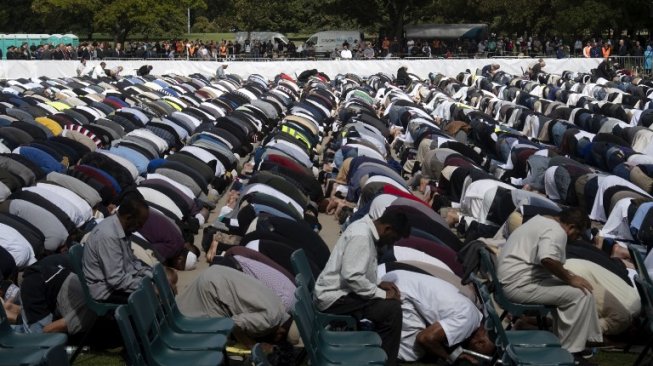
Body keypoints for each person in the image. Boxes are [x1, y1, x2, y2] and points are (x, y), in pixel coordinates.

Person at [497, 208, 602, 363]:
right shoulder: (557, 231)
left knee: (579, 288)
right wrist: (569, 278)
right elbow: (547, 258)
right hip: (518, 285)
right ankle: (571, 352)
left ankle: (576, 341)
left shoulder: (541, 219)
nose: (577, 238)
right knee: (581, 294)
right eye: (578, 234)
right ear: (571, 227)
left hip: (513, 280)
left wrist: (568, 276)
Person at [314, 208, 411, 366]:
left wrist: (379, 282)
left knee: (388, 307)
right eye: (395, 238)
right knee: (392, 310)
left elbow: (359, 269)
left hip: (339, 292)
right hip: (333, 297)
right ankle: (384, 361)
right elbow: (352, 276)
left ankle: (378, 354)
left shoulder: (364, 229)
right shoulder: (362, 236)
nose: (393, 243)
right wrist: (380, 293)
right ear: (387, 229)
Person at [380, 269, 494, 363]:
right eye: (478, 353)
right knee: (413, 352)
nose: (473, 353)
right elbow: (425, 338)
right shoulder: (466, 321)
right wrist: (450, 358)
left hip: (398, 279)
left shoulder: (474, 314)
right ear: (480, 342)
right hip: (398, 291)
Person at [176, 265, 291, 347]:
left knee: (181, 305)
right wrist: (252, 345)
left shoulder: (280, 305)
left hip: (216, 274)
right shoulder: (271, 320)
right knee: (194, 329)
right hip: (213, 290)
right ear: (280, 333)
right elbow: (234, 323)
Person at [82, 193, 152, 303]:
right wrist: (149, 285)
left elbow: (132, 263)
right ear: (128, 218)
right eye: (139, 224)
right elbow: (116, 280)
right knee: (153, 298)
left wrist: (152, 275)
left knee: (162, 285)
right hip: (105, 290)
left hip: (119, 281)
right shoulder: (108, 236)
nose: (141, 228)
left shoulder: (124, 229)